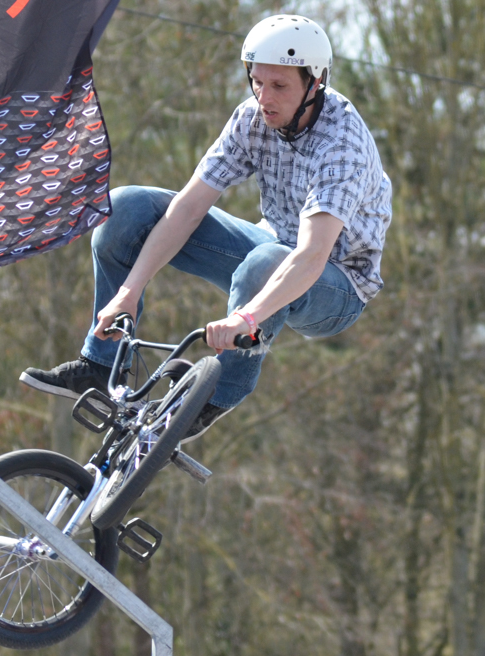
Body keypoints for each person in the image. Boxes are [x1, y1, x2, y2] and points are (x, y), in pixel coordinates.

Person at [21, 14, 391, 446]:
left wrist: (245, 318)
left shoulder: (341, 145)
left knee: (268, 262)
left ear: (316, 83)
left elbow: (310, 256)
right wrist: (128, 292)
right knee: (126, 209)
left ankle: (216, 394)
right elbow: (188, 208)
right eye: (257, 82)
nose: (264, 98)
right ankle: (102, 365)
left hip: (336, 284)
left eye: (279, 86)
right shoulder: (252, 118)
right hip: (271, 247)